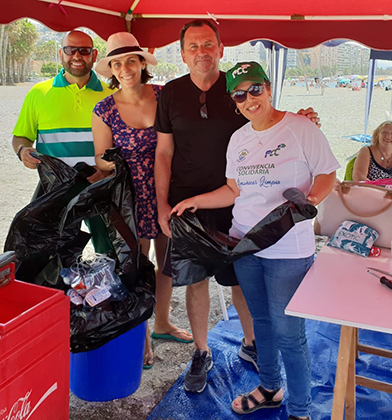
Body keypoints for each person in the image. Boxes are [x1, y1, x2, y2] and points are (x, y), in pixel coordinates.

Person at [154, 19, 320, 394]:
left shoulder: (236, 87)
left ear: (221, 49)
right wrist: (163, 204)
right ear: (182, 54)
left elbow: (267, 117)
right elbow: (163, 153)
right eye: (193, 46)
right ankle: (201, 351)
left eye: (208, 44)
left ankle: (251, 343)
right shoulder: (170, 94)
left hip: (239, 201)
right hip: (189, 205)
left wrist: (303, 119)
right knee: (194, 281)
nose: (201, 52)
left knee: (241, 282)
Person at [171, 61, 338, 420]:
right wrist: (195, 201)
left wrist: (310, 202)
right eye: (240, 94)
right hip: (244, 245)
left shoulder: (300, 128)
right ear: (235, 101)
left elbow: (327, 174)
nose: (249, 99)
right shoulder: (239, 139)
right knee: (261, 322)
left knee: (290, 335)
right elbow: (233, 190)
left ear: (268, 87)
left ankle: (300, 410)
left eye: (255, 89)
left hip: (288, 249)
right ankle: (269, 387)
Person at [92, 32, 192, 370]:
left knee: (167, 261)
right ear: (112, 70)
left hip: (169, 189)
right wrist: (119, 159)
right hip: (129, 195)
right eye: (117, 64)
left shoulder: (165, 95)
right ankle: (141, 331)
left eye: (130, 61)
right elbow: (100, 161)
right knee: (135, 265)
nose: (124, 69)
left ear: (140, 64)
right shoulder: (105, 108)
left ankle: (162, 322)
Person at [11, 30, 114, 254]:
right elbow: (21, 136)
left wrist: (107, 171)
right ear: (61, 54)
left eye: (84, 50)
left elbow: (123, 145)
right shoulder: (39, 93)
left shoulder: (111, 94)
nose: (77, 55)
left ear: (94, 55)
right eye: (70, 50)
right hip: (56, 190)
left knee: (110, 253)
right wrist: (22, 151)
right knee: (51, 254)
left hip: (100, 187)